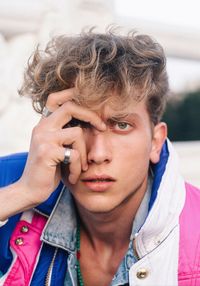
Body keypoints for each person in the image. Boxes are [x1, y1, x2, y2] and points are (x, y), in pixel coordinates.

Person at [0, 28, 199, 286]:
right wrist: (22, 193)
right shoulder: (11, 183)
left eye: (121, 125)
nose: (98, 154)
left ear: (155, 141)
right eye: (80, 123)